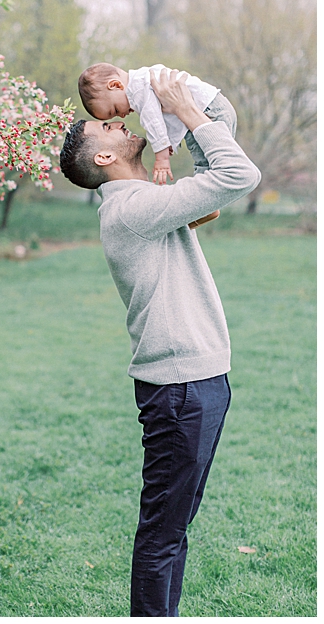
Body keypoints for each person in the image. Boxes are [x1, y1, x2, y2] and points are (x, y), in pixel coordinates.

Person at [58, 69, 260, 616]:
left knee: (174, 528)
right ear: (104, 160)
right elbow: (241, 173)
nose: (121, 123)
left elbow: (210, 195)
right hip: (181, 390)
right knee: (163, 533)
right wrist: (188, 111)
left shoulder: (142, 204)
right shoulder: (134, 209)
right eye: (107, 130)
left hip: (195, 382)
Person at [78, 62, 236, 193]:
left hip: (209, 111)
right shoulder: (143, 80)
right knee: (214, 163)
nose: (122, 116)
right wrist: (169, 143)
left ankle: (205, 198)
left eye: (116, 110)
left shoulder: (138, 90)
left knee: (207, 166)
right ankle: (208, 200)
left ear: (115, 85)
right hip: (216, 107)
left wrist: (162, 158)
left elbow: (154, 123)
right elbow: (169, 118)